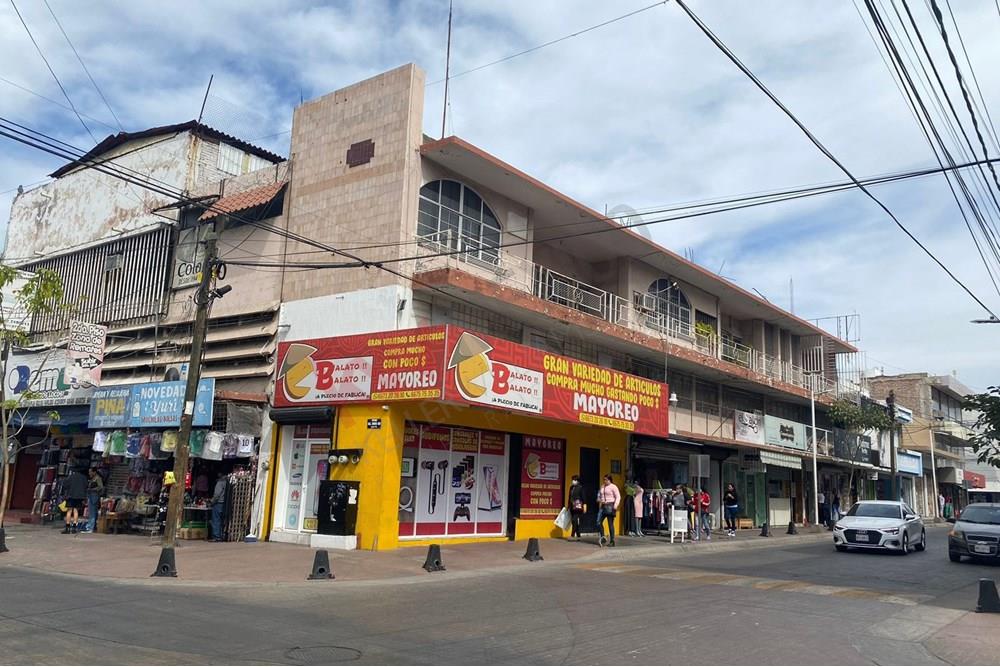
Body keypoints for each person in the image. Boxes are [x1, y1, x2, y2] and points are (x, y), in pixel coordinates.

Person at [596, 474, 620, 547]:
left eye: (606, 479)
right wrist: (599, 499)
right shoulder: (602, 486)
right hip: (603, 506)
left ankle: (612, 541)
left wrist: (615, 506)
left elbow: (618, 496)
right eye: (604, 479)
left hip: (610, 506)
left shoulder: (613, 487)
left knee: (610, 524)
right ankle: (603, 537)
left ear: (610, 480)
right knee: (598, 522)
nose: (605, 481)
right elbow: (599, 495)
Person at [62, 467, 87, 534]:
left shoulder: (71, 477)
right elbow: (86, 486)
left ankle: (67, 527)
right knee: (76, 511)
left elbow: (65, 485)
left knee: (69, 511)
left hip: (71, 495)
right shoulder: (83, 478)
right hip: (79, 497)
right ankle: (74, 527)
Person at [83, 469, 104, 533]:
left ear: (94, 472)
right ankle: (93, 526)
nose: (89, 473)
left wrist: (93, 489)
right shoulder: (93, 478)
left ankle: (90, 527)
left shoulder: (98, 478)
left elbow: (100, 487)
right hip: (91, 495)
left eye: (90, 472)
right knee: (93, 512)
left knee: (92, 512)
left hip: (94, 496)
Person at [568, 474, 586, 541]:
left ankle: (572, 535)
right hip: (572, 506)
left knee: (574, 520)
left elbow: (584, 497)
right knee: (574, 521)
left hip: (578, 506)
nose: (573, 481)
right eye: (572, 480)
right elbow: (569, 497)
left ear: (577, 481)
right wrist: (568, 505)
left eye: (574, 480)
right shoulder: (571, 487)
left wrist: (584, 505)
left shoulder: (581, 488)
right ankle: (578, 535)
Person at [210, 475, 227, 542]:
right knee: (222, 520)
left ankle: (217, 536)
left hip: (218, 503)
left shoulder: (220, 483)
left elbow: (217, 495)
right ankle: (221, 535)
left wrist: (212, 502)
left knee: (216, 520)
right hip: (225, 504)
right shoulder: (227, 482)